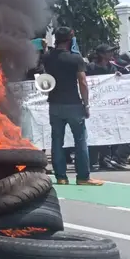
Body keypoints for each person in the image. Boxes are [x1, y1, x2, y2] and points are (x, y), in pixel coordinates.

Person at [41, 27, 102, 186]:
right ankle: (83, 177)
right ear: (70, 39)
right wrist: (86, 104)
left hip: (54, 104)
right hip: (73, 104)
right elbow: (82, 82)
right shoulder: (76, 59)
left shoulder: (47, 57)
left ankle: (61, 177)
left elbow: (46, 70)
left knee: (57, 141)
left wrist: (46, 48)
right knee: (80, 141)